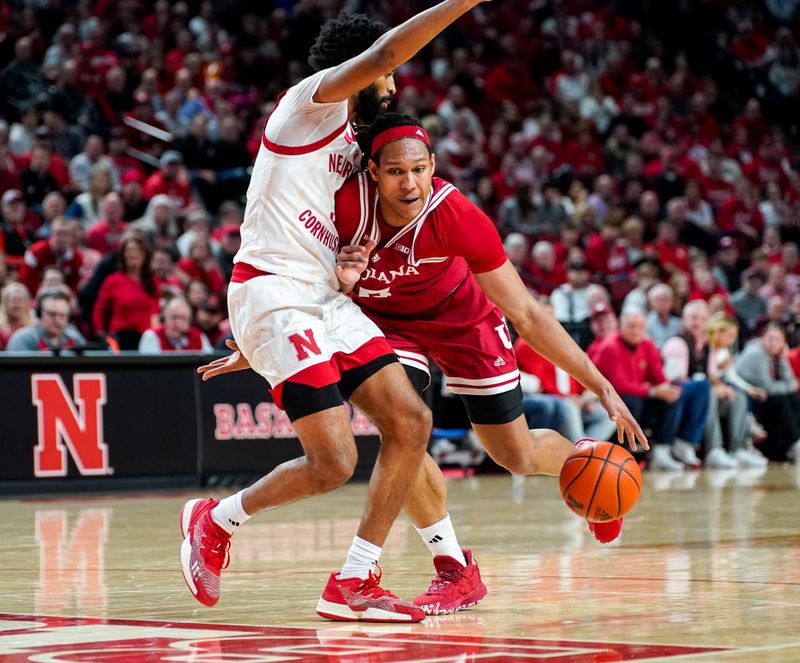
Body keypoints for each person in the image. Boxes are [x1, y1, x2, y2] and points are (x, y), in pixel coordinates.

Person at [201, 114, 647, 613]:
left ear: (433, 166)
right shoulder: (343, 204)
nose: (408, 182)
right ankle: (452, 566)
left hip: (463, 320)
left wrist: (600, 385)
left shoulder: (455, 214)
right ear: (372, 172)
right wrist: (262, 341)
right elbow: (302, 281)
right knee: (404, 425)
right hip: (384, 324)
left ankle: (584, 466)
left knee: (515, 455)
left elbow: (526, 314)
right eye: (394, 172)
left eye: (418, 169)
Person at [180, 2, 499, 624]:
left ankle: (355, 577)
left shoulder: (358, 149)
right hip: (273, 290)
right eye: (389, 76)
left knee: (409, 419)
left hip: (322, 298)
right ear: (361, 70)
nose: (394, 84)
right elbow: (382, 56)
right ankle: (215, 518)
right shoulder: (308, 106)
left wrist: (342, 273)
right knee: (333, 464)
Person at [593, 309, 708, 471]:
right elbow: (618, 386)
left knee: (675, 392)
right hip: (612, 401)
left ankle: (666, 449)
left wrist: (666, 388)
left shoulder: (647, 344)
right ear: (620, 325)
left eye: (640, 327)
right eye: (631, 326)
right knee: (632, 401)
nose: (635, 331)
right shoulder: (610, 346)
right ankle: (625, 452)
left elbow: (659, 377)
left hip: (640, 397)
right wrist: (653, 391)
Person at [705, 314, 769, 467]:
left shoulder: (724, 352)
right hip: (706, 392)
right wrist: (717, 376)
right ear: (718, 332)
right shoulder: (707, 347)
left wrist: (750, 389)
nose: (732, 340)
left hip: (722, 391)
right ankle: (715, 448)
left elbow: (731, 376)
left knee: (740, 396)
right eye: (730, 335)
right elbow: (709, 375)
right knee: (712, 395)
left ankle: (738, 448)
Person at [736, 323, 800, 462]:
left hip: (760, 396)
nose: (773, 343)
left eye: (778, 340)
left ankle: (795, 442)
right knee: (781, 400)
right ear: (762, 338)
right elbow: (768, 387)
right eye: (770, 338)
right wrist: (790, 385)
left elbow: (792, 383)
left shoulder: (775, 355)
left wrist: (783, 359)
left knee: (794, 399)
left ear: (784, 343)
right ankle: (794, 443)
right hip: (746, 398)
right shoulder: (756, 353)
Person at [92, 235, 160, 350]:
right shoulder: (112, 280)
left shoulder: (153, 282)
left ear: (145, 255)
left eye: (137, 250)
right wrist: (100, 334)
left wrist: (157, 335)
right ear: (123, 255)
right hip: (120, 338)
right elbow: (99, 310)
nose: (133, 254)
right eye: (129, 250)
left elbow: (155, 312)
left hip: (146, 338)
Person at [5, 289, 85, 352]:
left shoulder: (75, 337)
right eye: (52, 314)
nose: (57, 319)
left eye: (62, 315)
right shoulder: (23, 339)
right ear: (40, 314)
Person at [19, 217, 83, 295]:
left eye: (66, 234)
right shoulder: (36, 252)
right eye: (59, 234)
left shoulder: (76, 258)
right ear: (51, 234)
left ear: (71, 237)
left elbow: (74, 286)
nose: (62, 239)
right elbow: (26, 279)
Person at [138, 296, 212, 353]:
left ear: (189, 321)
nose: (178, 324)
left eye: (183, 318)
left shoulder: (199, 337)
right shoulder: (151, 336)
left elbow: (210, 363)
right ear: (164, 318)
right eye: (174, 317)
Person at [646, 283, 683, 348]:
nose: (662, 303)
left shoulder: (679, 324)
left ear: (672, 302)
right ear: (651, 303)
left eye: (666, 299)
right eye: (658, 300)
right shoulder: (645, 323)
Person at [0, 282, 33, 349]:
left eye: (20, 301)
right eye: (14, 301)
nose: (17, 305)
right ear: (5, 303)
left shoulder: (33, 325)